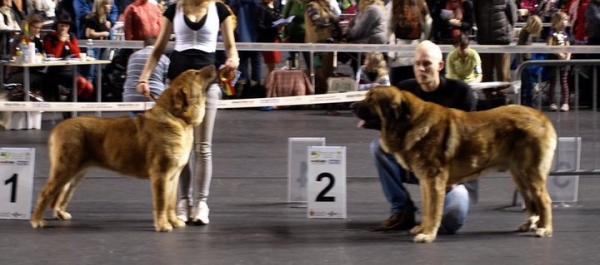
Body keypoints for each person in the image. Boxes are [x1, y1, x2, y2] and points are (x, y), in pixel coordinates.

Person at [137, 0, 239, 225]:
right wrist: (144, 77)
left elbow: (231, 46)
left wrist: (234, 59)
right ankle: (183, 201)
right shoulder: (174, 9)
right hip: (176, 85)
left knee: (203, 147)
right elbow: (158, 48)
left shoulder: (220, 10)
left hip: (206, 86)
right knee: (178, 146)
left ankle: (201, 203)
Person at [370, 40, 474, 234]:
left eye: (426, 63)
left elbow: (468, 143)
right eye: (417, 64)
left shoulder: (461, 93)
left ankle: (433, 212)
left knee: (452, 221)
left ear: (440, 66)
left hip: (451, 176)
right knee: (378, 146)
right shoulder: (404, 90)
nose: (421, 69)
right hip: (416, 166)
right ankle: (401, 209)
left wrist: (453, 179)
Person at [43, 13, 94, 102]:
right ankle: (69, 107)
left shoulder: (71, 36)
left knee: (89, 87)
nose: (63, 28)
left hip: (70, 69)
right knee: (81, 82)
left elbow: (77, 55)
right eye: (61, 25)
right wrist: (61, 42)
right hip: (56, 71)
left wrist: (68, 42)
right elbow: (55, 56)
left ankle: (72, 103)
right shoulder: (49, 37)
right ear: (57, 26)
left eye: (66, 26)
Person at [386, 0, 432, 85]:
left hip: (397, 54)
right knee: (415, 89)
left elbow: (387, 25)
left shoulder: (394, 3)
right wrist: (422, 40)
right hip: (415, 54)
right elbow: (428, 24)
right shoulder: (421, 3)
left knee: (397, 90)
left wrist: (391, 40)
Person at [122, 37, 170, 117]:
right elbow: (166, 81)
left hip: (130, 97)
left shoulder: (133, 56)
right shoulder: (164, 58)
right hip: (154, 96)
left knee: (136, 121)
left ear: (144, 45)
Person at [472, 0, 516, 84]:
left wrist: (507, 30)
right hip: (484, 39)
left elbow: (513, 17)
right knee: (486, 71)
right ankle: (488, 94)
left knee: (503, 72)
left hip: (502, 39)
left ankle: (502, 95)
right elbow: (476, 16)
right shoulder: (478, 2)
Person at [6, 14, 46, 97]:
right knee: (42, 80)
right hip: (17, 72)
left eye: (39, 28)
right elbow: (16, 57)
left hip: (33, 70)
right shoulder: (19, 39)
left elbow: (41, 59)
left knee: (50, 78)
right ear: (28, 25)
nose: (37, 30)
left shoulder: (37, 41)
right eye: (35, 27)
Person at [546, 11, 571, 112]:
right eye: (563, 20)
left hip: (564, 62)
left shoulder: (565, 34)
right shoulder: (552, 33)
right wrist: (558, 54)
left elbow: (568, 46)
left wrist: (568, 57)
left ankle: (565, 102)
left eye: (566, 20)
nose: (565, 22)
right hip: (554, 60)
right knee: (553, 82)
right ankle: (552, 102)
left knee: (564, 82)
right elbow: (549, 45)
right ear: (557, 21)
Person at [516, 14, 543, 107]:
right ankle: (527, 102)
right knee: (527, 83)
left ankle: (526, 102)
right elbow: (519, 48)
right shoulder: (524, 33)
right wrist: (520, 62)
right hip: (524, 61)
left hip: (527, 60)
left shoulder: (527, 33)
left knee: (528, 83)